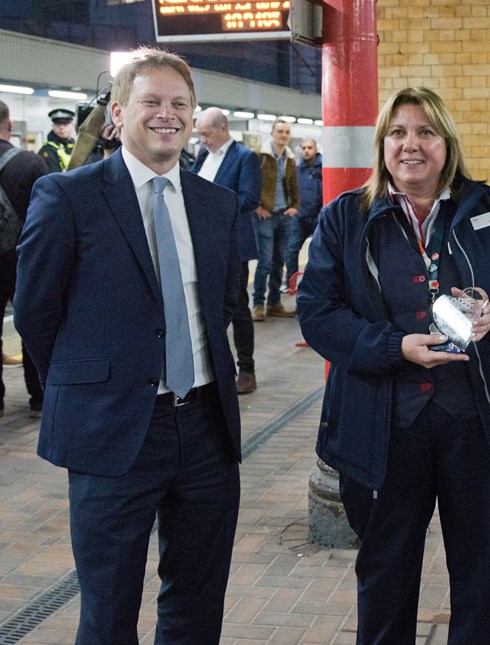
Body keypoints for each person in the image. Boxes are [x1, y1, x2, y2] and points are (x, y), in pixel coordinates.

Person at [296, 86, 490, 644]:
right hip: (385, 426)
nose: (410, 144)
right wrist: (395, 348)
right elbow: (318, 314)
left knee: (484, 572)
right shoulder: (347, 217)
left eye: (425, 132)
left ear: (447, 143)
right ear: (382, 145)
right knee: (385, 572)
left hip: (479, 424)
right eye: (397, 133)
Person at [15, 47, 243, 643]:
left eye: (179, 104)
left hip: (205, 432)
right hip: (110, 431)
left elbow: (221, 306)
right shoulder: (68, 197)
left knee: (197, 603)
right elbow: (37, 314)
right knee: (110, 607)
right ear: (118, 113)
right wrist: (91, 386)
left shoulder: (217, 206)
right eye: (151, 102)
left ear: (193, 116)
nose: (166, 114)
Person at [192, 107, 262, 394]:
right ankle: (215, 368)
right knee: (206, 306)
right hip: (203, 242)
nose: (203, 140)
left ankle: (247, 369)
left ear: (222, 129)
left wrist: (209, 204)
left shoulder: (245, 158)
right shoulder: (203, 155)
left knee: (239, 307)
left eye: (206, 134)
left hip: (233, 243)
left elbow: (249, 199)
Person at [0, 99, 46, 418]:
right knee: (32, 324)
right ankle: (39, 396)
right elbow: (48, 218)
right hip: (23, 262)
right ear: (10, 124)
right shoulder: (31, 164)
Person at [252, 118, 298, 320]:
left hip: (284, 215)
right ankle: (258, 304)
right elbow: (249, 182)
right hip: (266, 216)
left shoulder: (289, 158)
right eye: (280, 131)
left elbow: (294, 185)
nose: (284, 135)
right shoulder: (259, 156)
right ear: (272, 133)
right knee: (265, 262)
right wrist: (257, 206)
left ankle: (274, 303)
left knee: (280, 261)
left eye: (287, 132)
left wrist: (295, 207)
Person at [284, 137, 322, 290]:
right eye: (304, 148)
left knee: (319, 253)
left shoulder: (324, 170)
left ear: (315, 149)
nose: (306, 151)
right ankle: (291, 285)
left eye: (309, 148)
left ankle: (317, 285)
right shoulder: (296, 170)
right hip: (299, 218)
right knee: (291, 251)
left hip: (318, 218)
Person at [38, 108, 75, 172]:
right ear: (53, 126)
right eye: (58, 124)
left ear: (72, 125)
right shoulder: (48, 150)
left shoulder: (76, 145)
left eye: (65, 124)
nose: (61, 127)